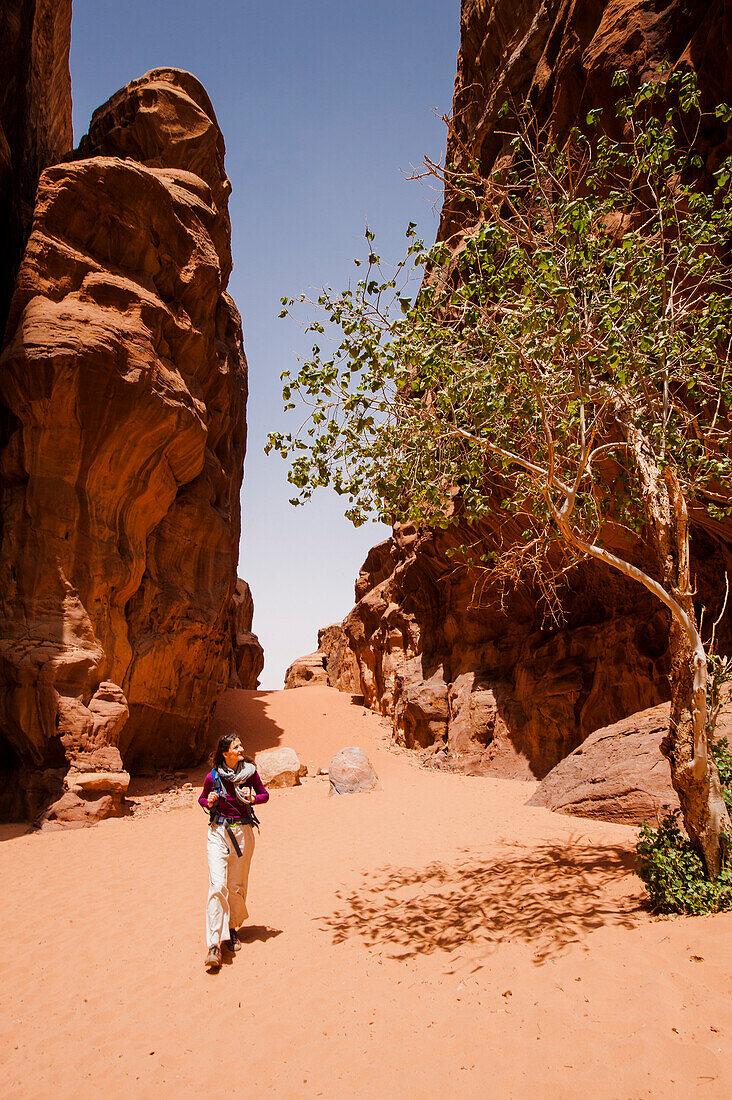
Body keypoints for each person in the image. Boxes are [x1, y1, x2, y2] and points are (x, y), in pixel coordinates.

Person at [198, 733, 269, 971]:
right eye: (236, 746)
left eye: (240, 745)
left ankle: (232, 928)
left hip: (243, 832)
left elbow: (264, 795)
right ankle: (214, 945)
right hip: (218, 832)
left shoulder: (250, 772)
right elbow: (202, 799)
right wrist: (209, 801)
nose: (242, 748)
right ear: (225, 752)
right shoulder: (213, 776)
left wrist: (253, 798)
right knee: (217, 885)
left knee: (236, 885)